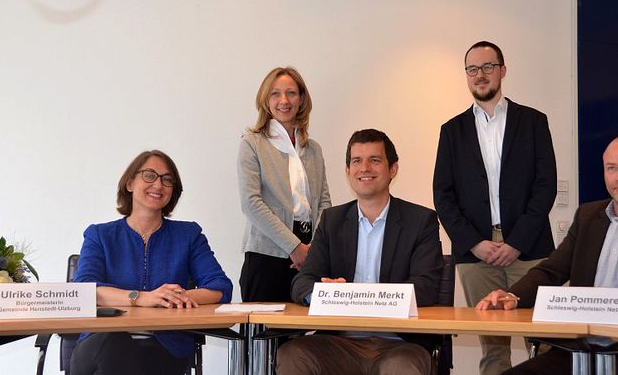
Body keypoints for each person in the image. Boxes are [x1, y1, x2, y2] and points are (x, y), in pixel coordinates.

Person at [476, 134, 618, 375]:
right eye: (611, 168)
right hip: (580, 350)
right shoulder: (587, 215)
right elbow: (551, 270)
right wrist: (511, 295)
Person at [433, 40, 557, 375]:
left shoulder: (533, 121)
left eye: (488, 67)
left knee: (547, 343)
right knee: (493, 347)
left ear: (502, 71)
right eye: (472, 69)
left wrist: (516, 241)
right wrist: (475, 242)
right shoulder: (452, 131)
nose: (480, 75)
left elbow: (545, 187)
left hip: (529, 250)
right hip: (476, 255)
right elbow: (443, 196)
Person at [276, 129, 443, 375]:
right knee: (292, 354)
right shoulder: (332, 220)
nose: (364, 168)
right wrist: (324, 294)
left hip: (399, 344)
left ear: (392, 169)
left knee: (402, 368)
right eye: (357, 161)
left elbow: (427, 286)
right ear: (348, 171)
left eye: (374, 160)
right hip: (339, 342)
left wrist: (359, 297)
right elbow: (302, 282)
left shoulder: (420, 220)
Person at [71, 150, 233, 375]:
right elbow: (85, 290)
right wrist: (143, 298)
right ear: (129, 184)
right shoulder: (100, 235)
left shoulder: (189, 235)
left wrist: (173, 297)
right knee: (115, 349)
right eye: (149, 175)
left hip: (165, 347)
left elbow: (220, 287)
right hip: (100, 342)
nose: (158, 185)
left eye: (167, 180)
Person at [238, 66, 332, 302]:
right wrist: (294, 247)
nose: (284, 100)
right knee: (264, 334)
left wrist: (313, 250)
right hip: (267, 252)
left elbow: (324, 201)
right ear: (265, 100)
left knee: (300, 335)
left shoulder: (313, 149)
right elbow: (251, 203)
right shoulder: (252, 143)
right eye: (275, 94)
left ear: (301, 99)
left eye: (291, 93)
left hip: (309, 252)